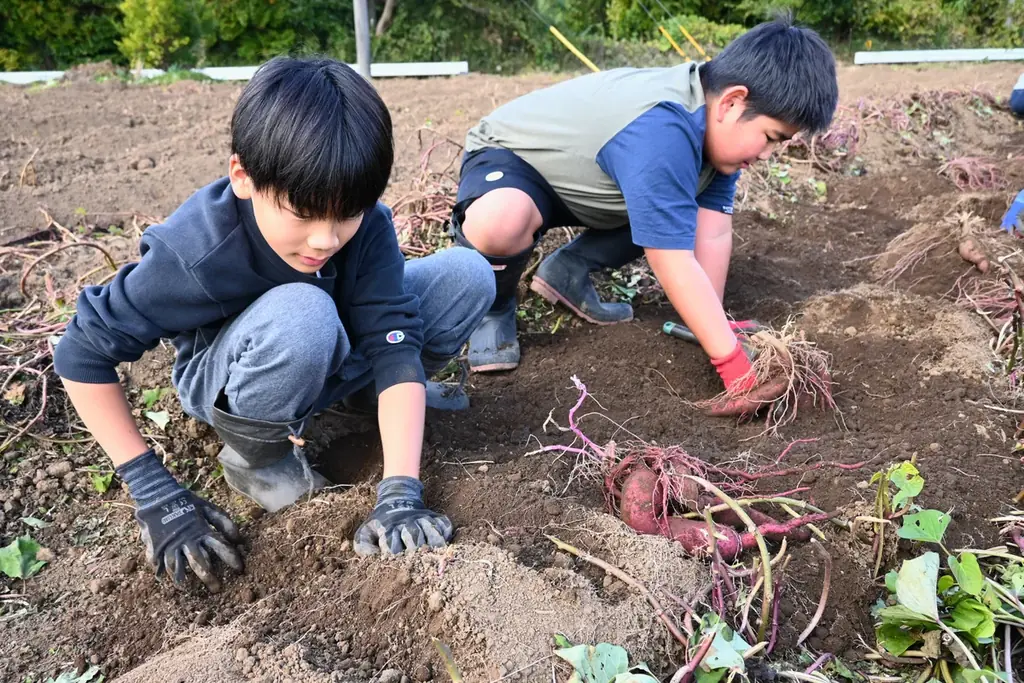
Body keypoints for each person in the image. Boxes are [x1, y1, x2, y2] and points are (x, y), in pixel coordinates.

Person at [52, 56, 495, 592]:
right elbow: (81, 351)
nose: (326, 240)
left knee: (466, 273)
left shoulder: (365, 226)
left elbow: (392, 336)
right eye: (304, 214)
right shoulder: (196, 251)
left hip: (325, 345)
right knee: (303, 311)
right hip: (236, 375)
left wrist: (401, 491)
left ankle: (365, 401)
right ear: (243, 177)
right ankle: (258, 458)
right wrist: (152, 489)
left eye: (347, 214)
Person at [449, 16, 839, 415]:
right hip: (517, 165)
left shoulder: (717, 142)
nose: (767, 154)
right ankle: (494, 309)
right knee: (501, 220)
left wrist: (713, 323)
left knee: (669, 211)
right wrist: (735, 367)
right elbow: (669, 256)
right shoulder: (665, 126)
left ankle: (567, 271)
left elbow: (714, 231)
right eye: (771, 137)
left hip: (594, 183)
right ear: (732, 102)